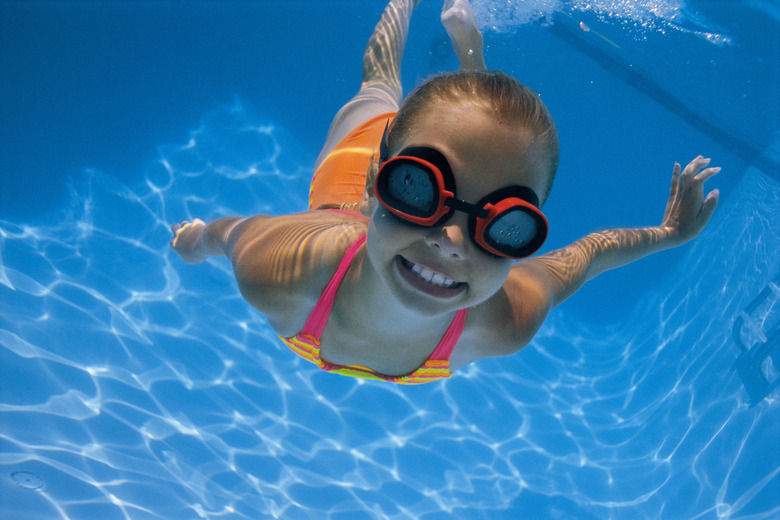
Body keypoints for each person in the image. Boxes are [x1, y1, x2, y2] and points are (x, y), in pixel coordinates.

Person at [170, 0, 720, 384]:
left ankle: (466, 72)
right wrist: (198, 240)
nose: (454, 241)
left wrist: (670, 235)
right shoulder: (282, 270)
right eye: (417, 189)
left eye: (504, 225)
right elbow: (230, 234)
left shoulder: (507, 320)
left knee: (470, 133)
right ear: (376, 184)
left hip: (396, 162)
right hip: (346, 177)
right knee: (380, 85)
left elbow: (587, 255)